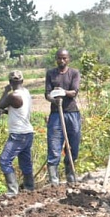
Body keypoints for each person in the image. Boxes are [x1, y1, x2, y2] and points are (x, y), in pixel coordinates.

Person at [45, 49, 81, 185]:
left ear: (68, 59)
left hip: (72, 113)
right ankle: (54, 179)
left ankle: (70, 173)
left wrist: (63, 93)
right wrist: (54, 100)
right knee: (54, 145)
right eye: (59, 58)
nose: (62, 61)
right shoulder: (51, 74)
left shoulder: (74, 73)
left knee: (74, 144)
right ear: (56, 59)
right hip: (56, 114)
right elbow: (47, 94)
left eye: (64, 58)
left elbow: (74, 92)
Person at [0, 71, 34, 195]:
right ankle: (29, 188)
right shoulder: (26, 93)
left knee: (4, 160)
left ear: (10, 83)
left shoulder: (13, 96)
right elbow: (18, 110)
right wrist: (6, 112)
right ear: (22, 81)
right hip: (27, 132)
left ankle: (12, 191)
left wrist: (5, 91)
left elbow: (1, 105)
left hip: (18, 134)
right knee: (25, 162)